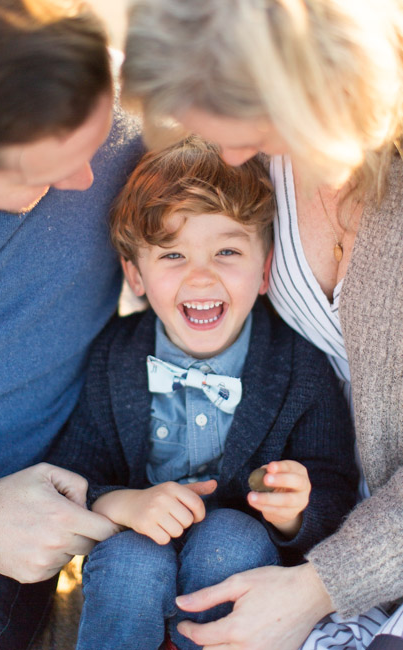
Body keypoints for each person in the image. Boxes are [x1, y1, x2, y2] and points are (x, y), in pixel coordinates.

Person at [120, 0, 403, 649]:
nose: (229, 152)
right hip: (331, 517)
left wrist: (319, 586)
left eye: (252, 123)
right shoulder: (251, 166)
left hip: (356, 557)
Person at [46, 136, 358, 650]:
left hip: (238, 566)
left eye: (227, 250)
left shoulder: (298, 364)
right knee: (130, 559)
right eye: (172, 254)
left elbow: (334, 485)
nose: (200, 275)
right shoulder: (114, 358)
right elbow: (74, 474)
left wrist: (297, 511)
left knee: (229, 537)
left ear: (264, 270)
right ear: (135, 273)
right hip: (136, 568)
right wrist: (124, 503)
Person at [0, 0, 143, 647]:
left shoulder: (108, 101)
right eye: (42, 173)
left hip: (14, 547)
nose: (87, 179)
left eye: (98, 138)